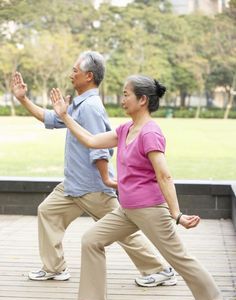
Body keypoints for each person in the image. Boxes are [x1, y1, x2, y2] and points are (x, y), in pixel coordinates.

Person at [49, 74, 231, 300]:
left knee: (179, 258)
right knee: (92, 239)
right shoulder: (125, 129)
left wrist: (176, 214)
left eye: (126, 94)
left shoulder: (150, 133)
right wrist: (65, 116)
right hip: (127, 209)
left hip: (151, 210)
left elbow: (164, 175)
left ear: (143, 99)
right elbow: (91, 141)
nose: (122, 99)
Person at [11, 51, 177, 287]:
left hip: (93, 187)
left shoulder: (90, 107)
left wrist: (106, 179)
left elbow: (99, 146)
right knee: (47, 211)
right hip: (72, 185)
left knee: (124, 230)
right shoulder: (78, 105)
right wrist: (23, 99)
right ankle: (54, 268)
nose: (71, 75)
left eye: (75, 71)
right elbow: (50, 117)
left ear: (88, 76)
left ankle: (161, 270)